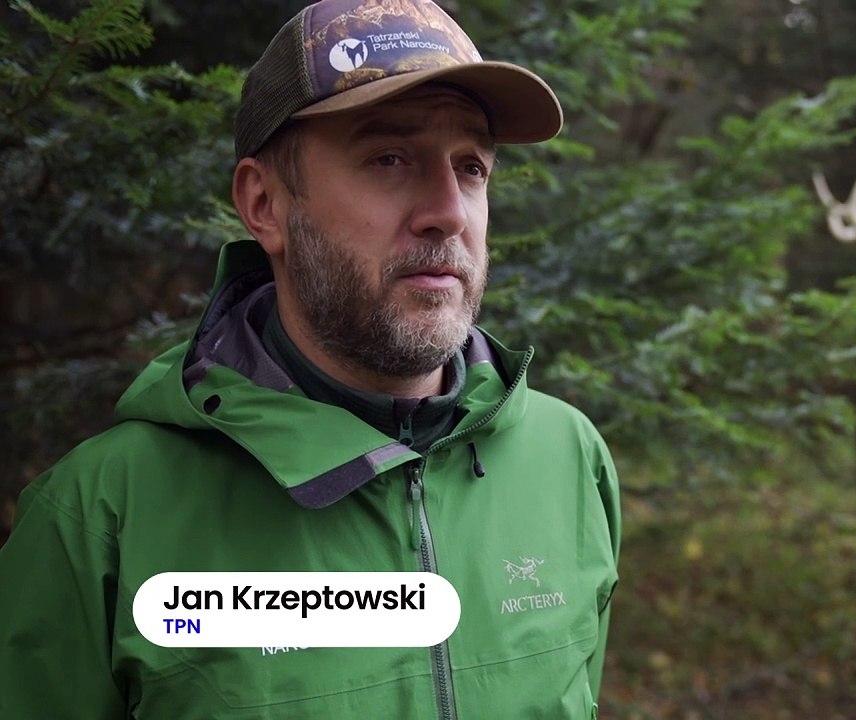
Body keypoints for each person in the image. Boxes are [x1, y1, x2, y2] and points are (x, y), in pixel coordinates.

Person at [0, 0, 620, 717]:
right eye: (389, 158)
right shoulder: (103, 515)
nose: (448, 210)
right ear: (264, 204)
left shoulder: (568, 459)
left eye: (471, 166)